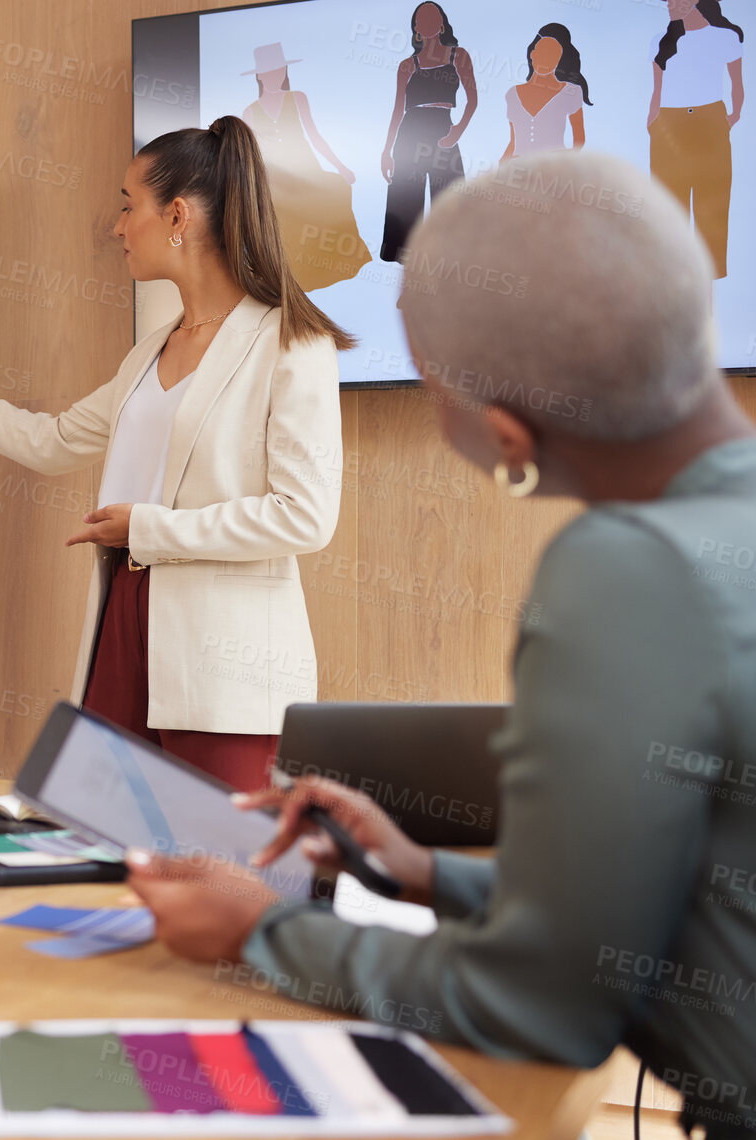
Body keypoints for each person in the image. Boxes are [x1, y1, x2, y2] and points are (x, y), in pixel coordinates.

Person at [127, 150, 756, 1137]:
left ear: (507, 436)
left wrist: (264, 931)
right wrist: (422, 872)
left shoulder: (627, 569)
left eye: (427, 388)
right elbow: (660, 900)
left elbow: (543, 1004)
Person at [0, 117, 350, 791]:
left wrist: (145, 528)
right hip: (123, 624)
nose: (117, 227)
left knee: (223, 878)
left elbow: (305, 516)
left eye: (128, 205)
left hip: (227, 671)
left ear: (176, 215)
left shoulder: (292, 344)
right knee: (112, 857)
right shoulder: (149, 351)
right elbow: (53, 441)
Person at [241, 43, 370, 292]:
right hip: (275, 181)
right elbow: (251, 156)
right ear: (259, 76)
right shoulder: (250, 112)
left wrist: (341, 166)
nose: (274, 77)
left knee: (335, 191)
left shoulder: (297, 98)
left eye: (278, 71)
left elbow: (315, 136)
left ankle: (331, 266)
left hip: (307, 172)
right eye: (268, 72)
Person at [648, 0, 744, 280]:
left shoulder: (725, 37)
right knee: (667, 198)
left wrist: (734, 114)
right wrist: (653, 121)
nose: (671, 5)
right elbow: (657, 91)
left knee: (711, 196)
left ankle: (709, 272)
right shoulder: (661, 41)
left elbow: (737, 83)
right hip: (668, 122)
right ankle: (669, 267)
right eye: (669, 1)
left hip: (709, 119)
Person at [380, 2, 476, 263]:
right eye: (422, 19)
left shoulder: (459, 56)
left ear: (442, 23)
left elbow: (472, 100)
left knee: (449, 196)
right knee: (406, 200)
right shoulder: (406, 66)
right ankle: (411, 273)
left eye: (433, 17)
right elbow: (397, 110)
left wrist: (457, 131)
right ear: (416, 29)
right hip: (410, 132)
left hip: (443, 129)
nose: (428, 22)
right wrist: (386, 151)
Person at [501, 24, 590, 160]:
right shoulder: (512, 95)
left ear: (558, 60)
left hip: (554, 169)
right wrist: (502, 163)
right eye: (542, 52)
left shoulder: (572, 92)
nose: (545, 59)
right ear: (533, 54)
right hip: (519, 169)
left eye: (552, 55)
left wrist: (566, 161)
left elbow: (579, 139)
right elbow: (513, 141)